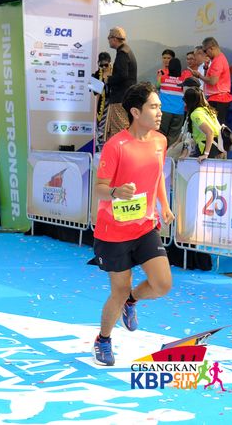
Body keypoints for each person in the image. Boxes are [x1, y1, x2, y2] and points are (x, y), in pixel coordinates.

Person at [91, 82, 175, 366]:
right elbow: (99, 188)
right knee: (117, 290)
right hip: (113, 232)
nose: (159, 112)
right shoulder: (116, 146)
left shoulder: (160, 141)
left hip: (145, 227)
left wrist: (164, 205)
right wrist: (116, 191)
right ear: (136, 112)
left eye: (160, 107)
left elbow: (158, 175)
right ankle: (103, 339)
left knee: (162, 284)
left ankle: (132, 300)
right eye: (153, 107)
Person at [104, 27, 137, 140]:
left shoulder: (122, 53)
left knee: (119, 130)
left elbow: (122, 75)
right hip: (125, 97)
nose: (108, 39)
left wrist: (108, 79)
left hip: (120, 98)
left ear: (114, 39)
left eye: (109, 37)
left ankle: (120, 150)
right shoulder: (126, 51)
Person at [192, 37, 231, 125]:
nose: (205, 54)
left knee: (216, 127)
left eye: (205, 51)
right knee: (214, 126)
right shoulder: (217, 59)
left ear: (211, 48)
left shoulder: (218, 60)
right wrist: (206, 68)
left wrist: (199, 76)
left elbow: (213, 81)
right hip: (217, 98)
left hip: (218, 100)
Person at [181, 86, 222, 160]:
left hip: (208, 148)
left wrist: (205, 154)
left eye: (185, 99)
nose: (183, 102)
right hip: (218, 147)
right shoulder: (208, 110)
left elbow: (210, 132)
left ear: (189, 101)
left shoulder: (195, 114)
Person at [157, 57, 185, 146]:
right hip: (179, 112)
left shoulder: (163, 78)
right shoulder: (183, 81)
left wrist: (159, 76)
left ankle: (160, 151)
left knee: (161, 134)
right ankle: (169, 153)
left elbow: (157, 86)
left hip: (164, 111)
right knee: (174, 136)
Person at [93, 52, 112, 151]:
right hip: (102, 105)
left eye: (106, 65)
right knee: (101, 127)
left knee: (111, 128)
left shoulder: (116, 72)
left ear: (110, 62)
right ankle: (101, 149)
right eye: (101, 65)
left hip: (114, 104)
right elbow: (95, 95)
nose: (104, 67)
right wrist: (96, 111)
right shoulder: (96, 74)